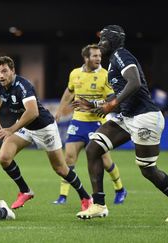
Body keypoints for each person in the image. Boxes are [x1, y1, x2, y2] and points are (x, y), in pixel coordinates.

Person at [74, 25, 168, 222]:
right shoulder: (113, 61)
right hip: (128, 117)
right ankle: (98, 205)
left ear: (113, 41)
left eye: (103, 40)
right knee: (93, 149)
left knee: (148, 170)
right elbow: (121, 96)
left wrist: (112, 104)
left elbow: (135, 82)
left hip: (145, 117)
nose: (100, 44)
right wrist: (96, 104)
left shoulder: (121, 54)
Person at [0, 56, 92, 210]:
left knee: (61, 169)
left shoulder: (23, 86)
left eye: (4, 71)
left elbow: (33, 112)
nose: (1, 76)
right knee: (4, 158)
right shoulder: (0, 85)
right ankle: (25, 191)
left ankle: (85, 197)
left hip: (44, 128)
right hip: (25, 128)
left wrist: (11, 129)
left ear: (13, 71)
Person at [53, 44, 127, 205]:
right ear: (86, 58)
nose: (98, 58)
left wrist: (98, 106)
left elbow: (111, 99)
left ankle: (120, 189)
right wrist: (60, 109)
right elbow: (69, 91)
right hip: (78, 121)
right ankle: (62, 196)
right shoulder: (75, 74)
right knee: (69, 158)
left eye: (100, 56)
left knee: (106, 162)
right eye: (94, 56)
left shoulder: (105, 75)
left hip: (97, 123)